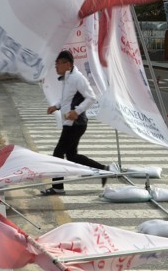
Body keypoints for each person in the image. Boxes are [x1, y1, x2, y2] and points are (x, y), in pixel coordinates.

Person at [41, 50, 119, 196]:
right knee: (71, 155)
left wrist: (76, 112)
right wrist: (56, 106)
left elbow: (91, 97)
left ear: (67, 64)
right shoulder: (67, 78)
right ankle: (103, 169)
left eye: (58, 64)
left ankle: (58, 187)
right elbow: (67, 99)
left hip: (76, 123)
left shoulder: (77, 78)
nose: (56, 67)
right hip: (71, 123)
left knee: (58, 153)